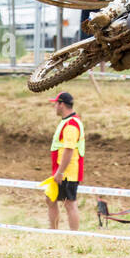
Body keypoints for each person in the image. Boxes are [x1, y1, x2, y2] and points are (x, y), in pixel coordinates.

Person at [47, 91, 84, 230]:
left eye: (56, 103)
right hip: (64, 170)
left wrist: (60, 172)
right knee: (50, 198)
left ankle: (73, 235)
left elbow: (69, 149)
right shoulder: (69, 121)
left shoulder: (71, 124)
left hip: (68, 171)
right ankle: (54, 231)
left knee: (69, 203)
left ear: (61, 104)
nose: (54, 106)